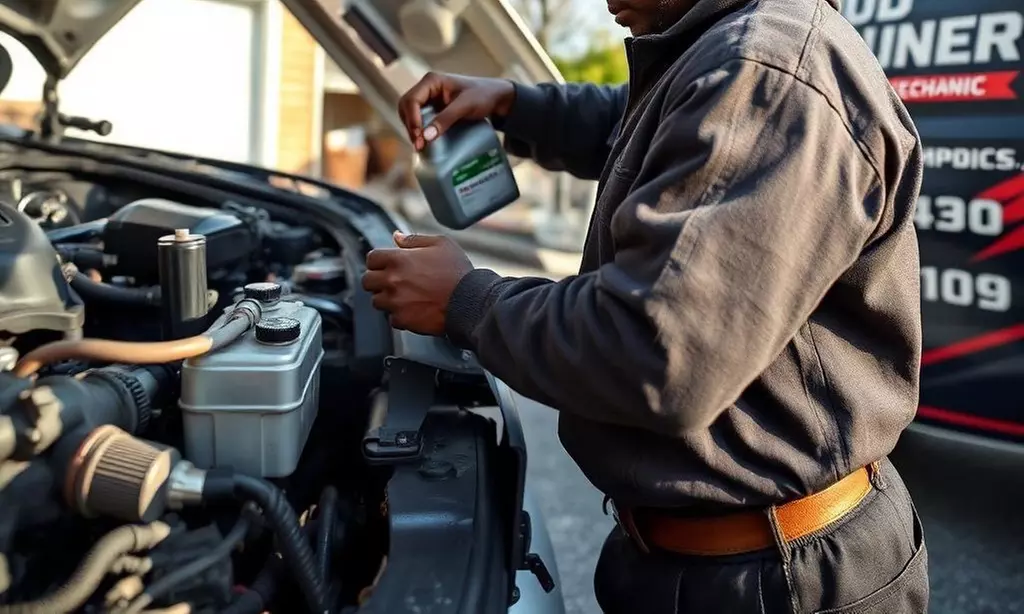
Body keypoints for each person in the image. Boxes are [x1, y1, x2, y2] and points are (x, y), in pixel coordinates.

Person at [361, 0, 928, 611]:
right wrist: (511, 103)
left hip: (775, 582)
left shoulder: (769, 73)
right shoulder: (723, 51)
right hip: (710, 559)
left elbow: (656, 354)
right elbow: (638, 120)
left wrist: (466, 300)